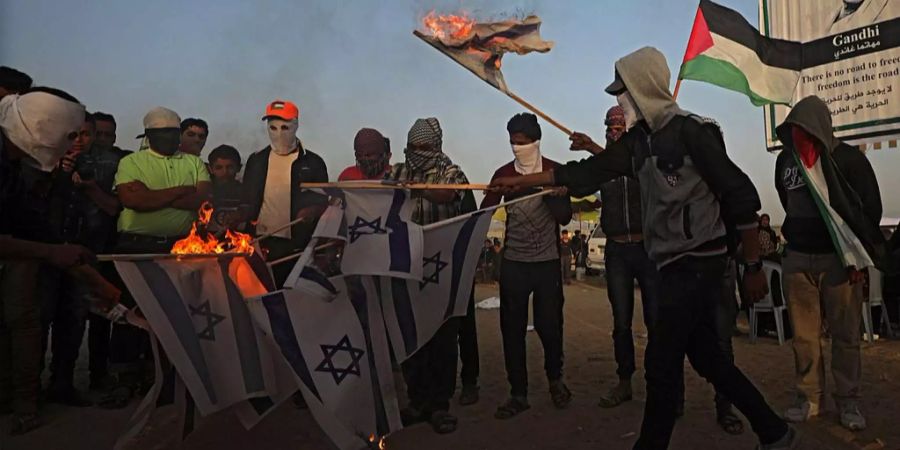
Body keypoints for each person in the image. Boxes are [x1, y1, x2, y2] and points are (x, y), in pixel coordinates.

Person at [490, 47, 795, 450]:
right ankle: (774, 431)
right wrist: (523, 182)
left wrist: (753, 265)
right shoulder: (638, 141)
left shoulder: (692, 132)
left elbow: (741, 195)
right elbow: (585, 174)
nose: (620, 101)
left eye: (624, 92)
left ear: (643, 88)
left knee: (660, 365)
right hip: (668, 264)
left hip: (698, 264)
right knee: (706, 358)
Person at [775, 95, 886, 432]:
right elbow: (785, 198)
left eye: (804, 129)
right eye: (793, 129)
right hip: (797, 259)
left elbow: (870, 209)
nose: (798, 136)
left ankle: (849, 402)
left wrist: (857, 256)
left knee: (845, 335)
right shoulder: (785, 160)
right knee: (804, 337)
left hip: (840, 262)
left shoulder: (848, 159)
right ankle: (808, 398)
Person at [0, 87, 95, 434]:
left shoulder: (11, 164)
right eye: (69, 135)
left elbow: (25, 218)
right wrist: (52, 252)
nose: (74, 144)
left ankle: (22, 401)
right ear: (45, 127)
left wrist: (65, 251)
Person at [107, 106, 211, 405]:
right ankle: (125, 379)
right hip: (135, 246)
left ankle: (167, 378)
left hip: (179, 248)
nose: (169, 138)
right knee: (131, 313)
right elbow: (132, 200)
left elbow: (201, 198)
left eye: (173, 132)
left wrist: (153, 195)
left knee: (175, 313)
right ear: (149, 135)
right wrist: (179, 191)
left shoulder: (193, 162)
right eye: (162, 133)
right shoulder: (131, 162)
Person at [481, 112, 573, 420]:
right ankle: (518, 393)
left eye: (522, 143)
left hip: (546, 264)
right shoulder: (502, 174)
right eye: (512, 143)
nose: (517, 148)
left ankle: (555, 380)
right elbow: (483, 216)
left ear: (536, 142)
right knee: (512, 330)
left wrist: (556, 195)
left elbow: (564, 218)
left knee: (550, 327)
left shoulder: (554, 172)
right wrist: (495, 194)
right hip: (514, 264)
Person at [387, 117, 473, 434]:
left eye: (423, 148)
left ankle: (439, 405)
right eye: (412, 147)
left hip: (440, 270)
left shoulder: (452, 172)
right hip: (404, 269)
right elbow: (381, 198)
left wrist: (416, 189)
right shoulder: (397, 171)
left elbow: (449, 195)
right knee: (410, 337)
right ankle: (417, 401)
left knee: (442, 340)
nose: (416, 153)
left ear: (436, 147)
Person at [243, 99, 328, 285]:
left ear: (295, 126)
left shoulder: (313, 163)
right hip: (260, 241)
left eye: (285, 127)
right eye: (273, 128)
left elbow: (324, 203)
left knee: (292, 294)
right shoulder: (256, 161)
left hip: (297, 244)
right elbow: (248, 198)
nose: (279, 133)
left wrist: (312, 211)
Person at [207, 144, 246, 232]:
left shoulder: (245, 192)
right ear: (210, 169)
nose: (225, 172)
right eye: (219, 168)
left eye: (230, 167)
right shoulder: (205, 191)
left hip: (239, 241)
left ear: (238, 168)